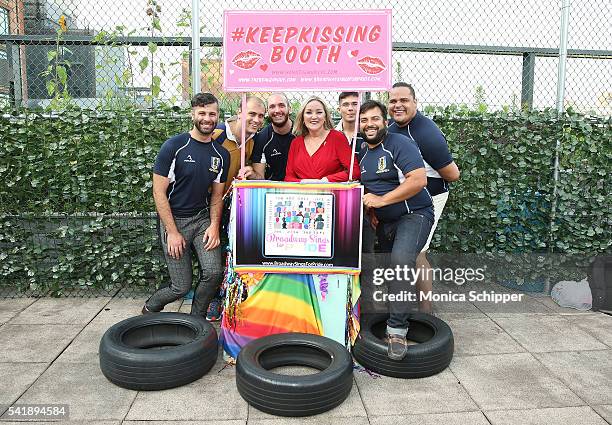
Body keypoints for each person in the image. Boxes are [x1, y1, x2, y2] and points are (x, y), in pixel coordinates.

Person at [358, 99, 434, 360]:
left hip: (415, 215)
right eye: (364, 119)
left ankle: (397, 330)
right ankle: (397, 313)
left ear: (385, 121)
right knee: (392, 269)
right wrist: (372, 209)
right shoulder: (362, 153)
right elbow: (366, 189)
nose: (369, 124)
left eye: (375, 118)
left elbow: (418, 180)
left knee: (401, 262)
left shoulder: (399, 144)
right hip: (386, 223)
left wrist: (381, 201)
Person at [144, 92, 230, 317]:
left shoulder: (221, 154)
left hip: (202, 220)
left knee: (213, 273)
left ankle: (196, 322)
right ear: (192, 114)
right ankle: (149, 308)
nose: (207, 118)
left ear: (217, 115)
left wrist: (213, 225)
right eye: (202, 113)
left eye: (212, 114)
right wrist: (172, 232)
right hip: (174, 221)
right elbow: (158, 192)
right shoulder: (174, 146)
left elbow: (216, 196)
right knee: (180, 286)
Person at [387, 82, 460, 314]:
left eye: (404, 101)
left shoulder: (426, 132)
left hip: (431, 196)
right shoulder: (389, 126)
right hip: (404, 195)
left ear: (415, 103)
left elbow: (453, 174)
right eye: (393, 101)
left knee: (418, 252)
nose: (398, 105)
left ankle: (426, 311)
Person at [284, 97, 360, 182]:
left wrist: (327, 180)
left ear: (325, 117)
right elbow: (288, 178)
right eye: (309, 112)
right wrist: (304, 182)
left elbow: (354, 172)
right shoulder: (296, 143)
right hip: (303, 193)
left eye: (319, 112)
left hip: (332, 192)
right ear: (302, 117)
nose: (314, 117)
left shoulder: (337, 138)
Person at [212, 96, 266, 193]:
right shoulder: (216, 134)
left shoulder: (257, 140)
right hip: (207, 199)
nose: (257, 120)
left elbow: (260, 179)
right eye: (252, 114)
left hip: (235, 198)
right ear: (239, 112)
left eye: (261, 116)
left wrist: (252, 174)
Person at [241, 93, 295, 181]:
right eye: (272, 107)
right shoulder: (262, 138)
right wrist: (252, 174)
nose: (277, 110)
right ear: (267, 112)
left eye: (281, 105)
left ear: (290, 109)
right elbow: (260, 177)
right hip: (273, 189)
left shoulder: (302, 132)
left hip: (302, 187)